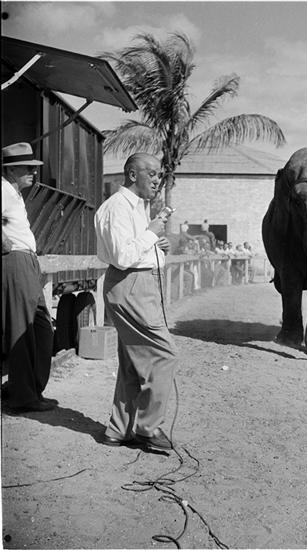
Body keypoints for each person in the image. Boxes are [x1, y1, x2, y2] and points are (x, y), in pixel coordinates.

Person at [94, 153, 177, 451]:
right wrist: (151, 233)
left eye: (159, 175)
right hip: (130, 284)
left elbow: (136, 248)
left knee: (131, 361)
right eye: (151, 174)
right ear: (132, 174)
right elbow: (123, 257)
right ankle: (147, 427)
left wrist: (158, 245)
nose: (157, 180)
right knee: (165, 354)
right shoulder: (117, 207)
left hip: (141, 283)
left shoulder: (138, 207)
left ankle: (118, 430)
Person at [1, 143, 57, 413]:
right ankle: (22, 398)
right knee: (21, 328)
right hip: (15, 260)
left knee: (42, 326)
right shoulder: (2, 188)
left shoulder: (13, 193)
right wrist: (3, 242)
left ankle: (28, 389)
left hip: (28, 261)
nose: (33, 173)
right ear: (11, 170)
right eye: (28, 168)